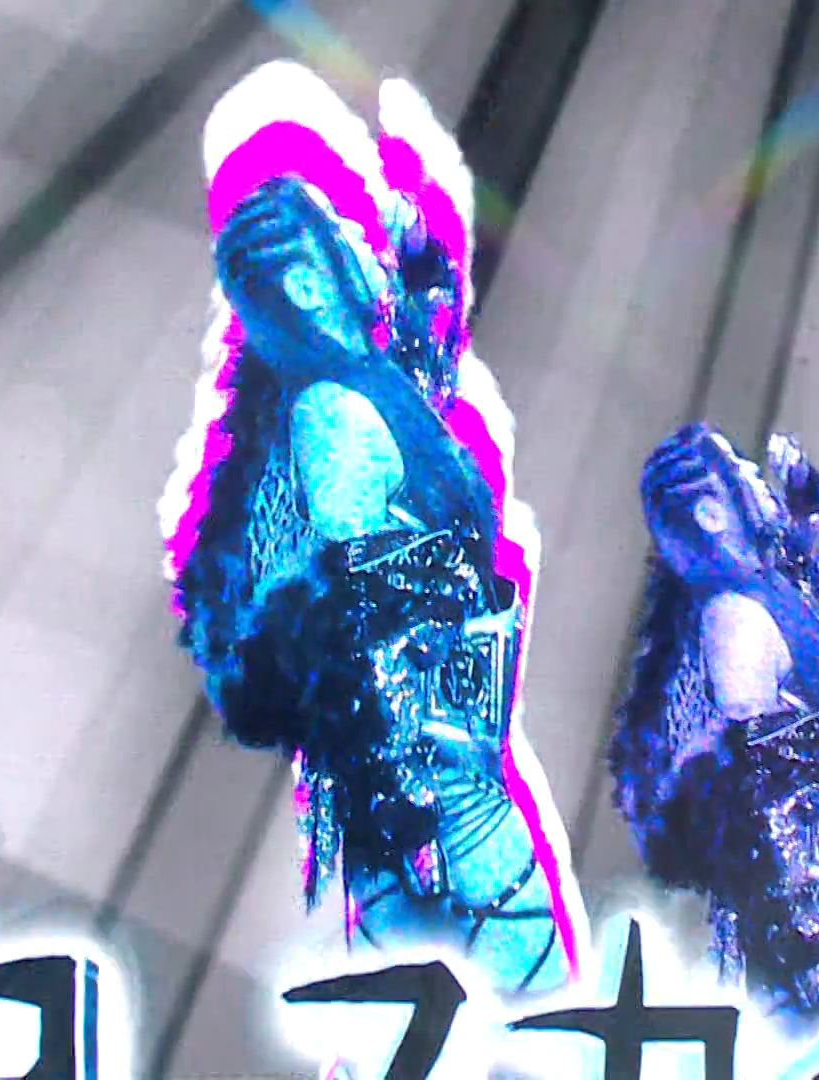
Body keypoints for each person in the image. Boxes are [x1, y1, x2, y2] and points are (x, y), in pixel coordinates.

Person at [160, 61, 585, 997]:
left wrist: (411, 226)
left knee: (495, 1021)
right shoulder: (329, 418)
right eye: (287, 269)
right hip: (429, 816)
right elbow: (363, 621)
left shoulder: (366, 386)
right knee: (517, 1019)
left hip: (435, 811)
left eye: (315, 249)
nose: (316, 278)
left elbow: (426, 319)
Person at [610, 424, 819, 1017]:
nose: (757, 480)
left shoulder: (758, 598)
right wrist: (790, 936)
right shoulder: (733, 620)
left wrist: (811, 504)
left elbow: (807, 583)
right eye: (739, 469)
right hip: (804, 949)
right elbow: (750, 784)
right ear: (713, 513)